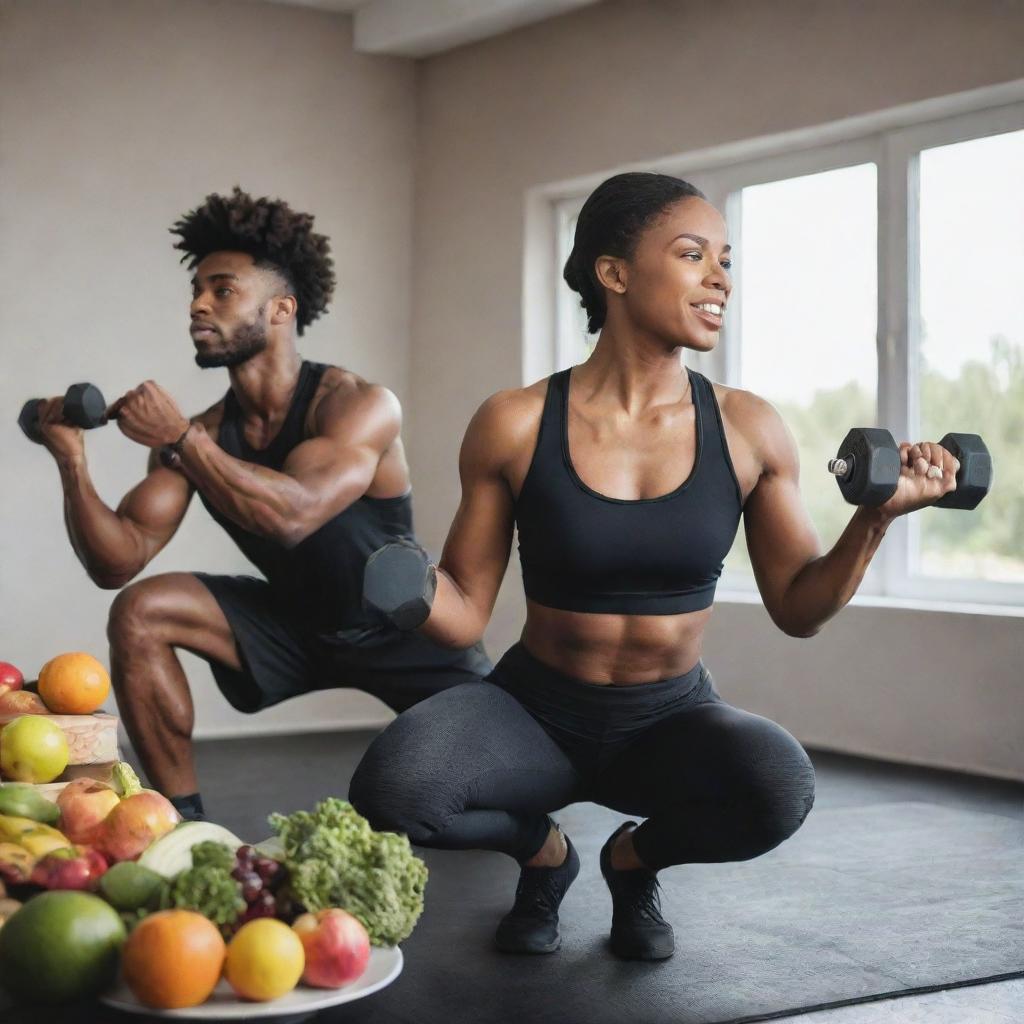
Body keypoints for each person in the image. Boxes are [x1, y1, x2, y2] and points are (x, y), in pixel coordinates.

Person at [347, 172, 963, 960]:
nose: (721, 279)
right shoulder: (515, 422)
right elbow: (465, 606)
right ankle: (544, 853)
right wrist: (409, 590)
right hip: (533, 712)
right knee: (393, 792)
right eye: (692, 254)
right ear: (615, 273)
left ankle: (633, 862)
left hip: (667, 719)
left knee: (780, 789)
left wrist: (873, 519)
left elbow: (799, 609)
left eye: (726, 260)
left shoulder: (749, 428)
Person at [31, 187, 490, 821]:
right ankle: (177, 825)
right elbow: (119, 559)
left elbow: (295, 514)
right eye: (196, 290)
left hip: (401, 628)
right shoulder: (202, 433)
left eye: (222, 290)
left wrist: (181, 439)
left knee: (491, 788)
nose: (197, 304)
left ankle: (546, 862)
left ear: (280, 309)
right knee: (140, 611)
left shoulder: (356, 403)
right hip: (292, 622)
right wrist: (71, 460)